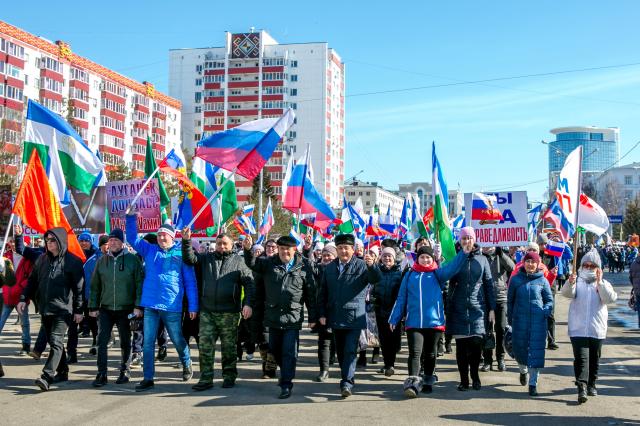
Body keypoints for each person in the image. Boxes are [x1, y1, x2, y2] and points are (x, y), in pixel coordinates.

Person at [126, 215, 199, 392]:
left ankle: (186, 361)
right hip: (151, 305)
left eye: (164, 235)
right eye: (159, 235)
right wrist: (130, 218)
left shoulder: (181, 254)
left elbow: (190, 282)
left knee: (177, 339)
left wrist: (193, 306)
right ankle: (148, 378)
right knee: (148, 342)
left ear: (173, 237)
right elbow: (132, 239)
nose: (161, 237)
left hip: (172, 306)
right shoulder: (150, 250)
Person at [242, 234, 317, 399]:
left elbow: (311, 294)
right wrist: (248, 250)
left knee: (289, 352)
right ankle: (285, 374)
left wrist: (313, 317)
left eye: (287, 249)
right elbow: (252, 263)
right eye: (281, 249)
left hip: (293, 317)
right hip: (273, 316)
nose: (284, 252)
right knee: (275, 351)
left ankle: (286, 383)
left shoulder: (303, 266)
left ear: (294, 250)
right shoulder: (269, 263)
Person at [389, 245, 466, 397]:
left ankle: (428, 381)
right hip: (414, 322)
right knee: (415, 353)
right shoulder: (410, 275)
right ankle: (412, 384)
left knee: (431, 354)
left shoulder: (437, 274)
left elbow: (453, 267)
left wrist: (464, 252)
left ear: (432, 259)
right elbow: (401, 297)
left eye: (428, 257)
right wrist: (395, 317)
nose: (425, 260)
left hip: (434, 322)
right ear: (417, 258)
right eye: (422, 257)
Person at [182, 228, 254, 391]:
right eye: (219, 243)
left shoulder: (238, 261)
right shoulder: (207, 258)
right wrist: (186, 241)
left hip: (229, 312)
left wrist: (247, 304)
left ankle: (229, 376)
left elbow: (249, 283)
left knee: (229, 347)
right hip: (207, 311)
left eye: (225, 244)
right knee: (206, 347)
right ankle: (206, 378)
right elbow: (189, 259)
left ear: (231, 245)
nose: (221, 246)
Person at [17, 228, 84, 391]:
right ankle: (63, 371)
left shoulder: (73, 262)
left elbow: (79, 289)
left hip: (63, 310)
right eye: (47, 240)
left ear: (60, 241)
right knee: (55, 342)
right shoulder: (41, 260)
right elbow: (32, 281)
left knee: (55, 341)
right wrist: (23, 299)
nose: (49, 243)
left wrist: (79, 310)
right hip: (45, 308)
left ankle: (47, 376)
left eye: (52, 240)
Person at [318, 233, 381, 398]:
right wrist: (322, 313)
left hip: (355, 316)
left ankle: (347, 383)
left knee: (350, 351)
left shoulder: (361, 265)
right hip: (335, 316)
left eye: (346, 248)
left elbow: (376, 279)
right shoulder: (330, 267)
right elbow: (322, 292)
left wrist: (372, 265)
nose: (343, 251)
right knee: (340, 352)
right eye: (340, 248)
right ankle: (346, 376)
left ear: (353, 249)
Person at [88, 228, 143, 387]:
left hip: (126, 309)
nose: (112, 243)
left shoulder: (133, 260)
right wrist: (93, 306)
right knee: (102, 341)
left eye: (116, 240)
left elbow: (139, 284)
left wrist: (138, 306)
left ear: (122, 242)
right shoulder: (102, 261)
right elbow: (95, 286)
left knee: (126, 341)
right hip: (105, 308)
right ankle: (101, 374)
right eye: (110, 240)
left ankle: (125, 371)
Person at [562, 249, 617, 403]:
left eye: (592, 266)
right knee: (581, 359)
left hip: (596, 329)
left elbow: (609, 299)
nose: (588, 268)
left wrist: (600, 283)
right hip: (578, 328)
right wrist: (569, 282)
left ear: (597, 268)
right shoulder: (576, 281)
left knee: (594, 359)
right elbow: (566, 294)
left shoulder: (603, 283)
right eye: (585, 265)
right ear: (581, 266)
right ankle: (582, 387)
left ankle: (592, 383)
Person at [447, 227, 496, 392]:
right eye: (464, 238)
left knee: (476, 347)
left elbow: (489, 285)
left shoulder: (483, 260)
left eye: (469, 238)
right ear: (460, 241)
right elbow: (447, 277)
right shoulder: (456, 258)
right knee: (461, 348)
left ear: (474, 240)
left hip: (478, 309)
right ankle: (464, 380)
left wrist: (492, 308)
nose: (467, 241)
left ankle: (475, 377)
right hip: (459, 308)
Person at [507, 251, 553, 397]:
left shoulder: (543, 281)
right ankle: (523, 371)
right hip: (520, 321)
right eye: (528, 261)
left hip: (538, 322)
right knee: (519, 350)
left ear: (538, 264)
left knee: (535, 352)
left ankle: (533, 384)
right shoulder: (515, 279)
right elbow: (510, 301)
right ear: (523, 262)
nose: (530, 264)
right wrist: (510, 318)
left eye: (533, 262)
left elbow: (549, 300)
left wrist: (545, 311)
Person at [480, 246, 514, 372]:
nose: (488, 246)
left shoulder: (501, 254)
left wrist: (501, 254)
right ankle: (487, 360)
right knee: (486, 330)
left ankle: (500, 359)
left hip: (500, 297)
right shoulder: (479, 256)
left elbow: (513, 268)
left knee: (501, 329)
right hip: (484, 298)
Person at [372, 247, 403, 377]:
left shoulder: (400, 273)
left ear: (394, 258)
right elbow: (372, 288)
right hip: (380, 310)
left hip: (394, 311)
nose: (387, 258)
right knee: (383, 339)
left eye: (390, 256)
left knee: (393, 339)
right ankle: (387, 364)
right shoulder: (377, 271)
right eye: (384, 256)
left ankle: (391, 363)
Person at [311, 243, 337, 382]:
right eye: (325, 255)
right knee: (324, 341)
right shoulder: (318, 269)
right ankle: (324, 370)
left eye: (330, 255)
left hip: (338, 311)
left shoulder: (340, 270)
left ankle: (334, 360)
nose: (327, 258)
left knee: (336, 340)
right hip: (322, 310)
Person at [628, 253, 640, 328]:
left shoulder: (634, 263)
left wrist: (635, 286)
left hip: (638, 290)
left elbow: (630, 277)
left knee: (639, 308)